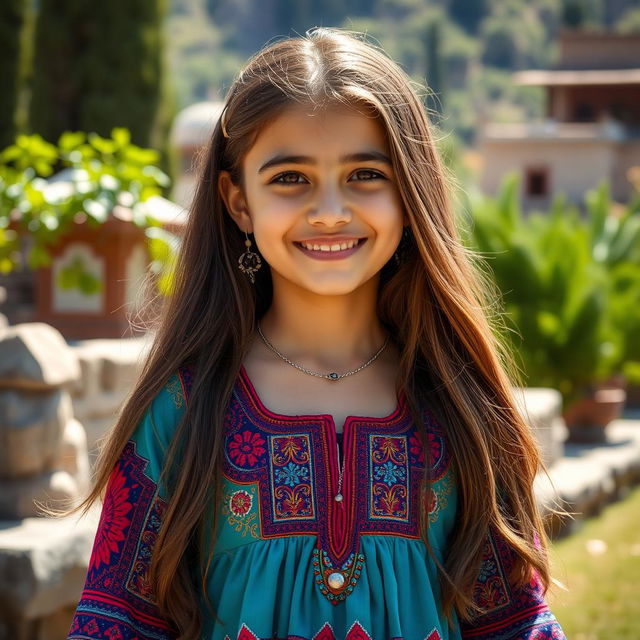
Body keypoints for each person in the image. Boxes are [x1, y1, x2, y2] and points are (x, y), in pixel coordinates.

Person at [66, 27, 566, 640]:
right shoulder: (183, 408)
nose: (330, 209)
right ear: (238, 201)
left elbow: (517, 626)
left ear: (410, 192)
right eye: (290, 179)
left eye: (364, 175)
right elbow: (116, 625)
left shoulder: (463, 405)